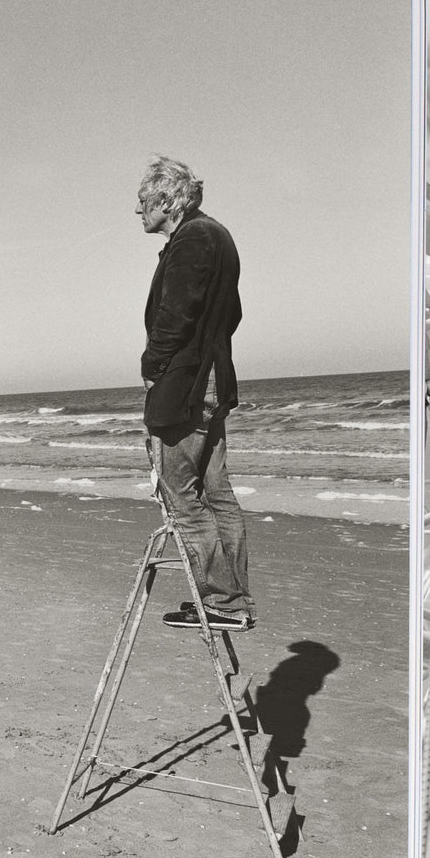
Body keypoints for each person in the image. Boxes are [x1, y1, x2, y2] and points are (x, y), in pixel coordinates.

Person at [135, 155, 255, 631]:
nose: (139, 211)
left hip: (187, 380)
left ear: (168, 200)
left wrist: (152, 364)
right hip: (211, 377)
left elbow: (176, 313)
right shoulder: (216, 236)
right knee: (216, 492)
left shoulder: (193, 238)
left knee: (181, 494)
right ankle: (233, 601)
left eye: (144, 202)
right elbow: (232, 314)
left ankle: (223, 601)